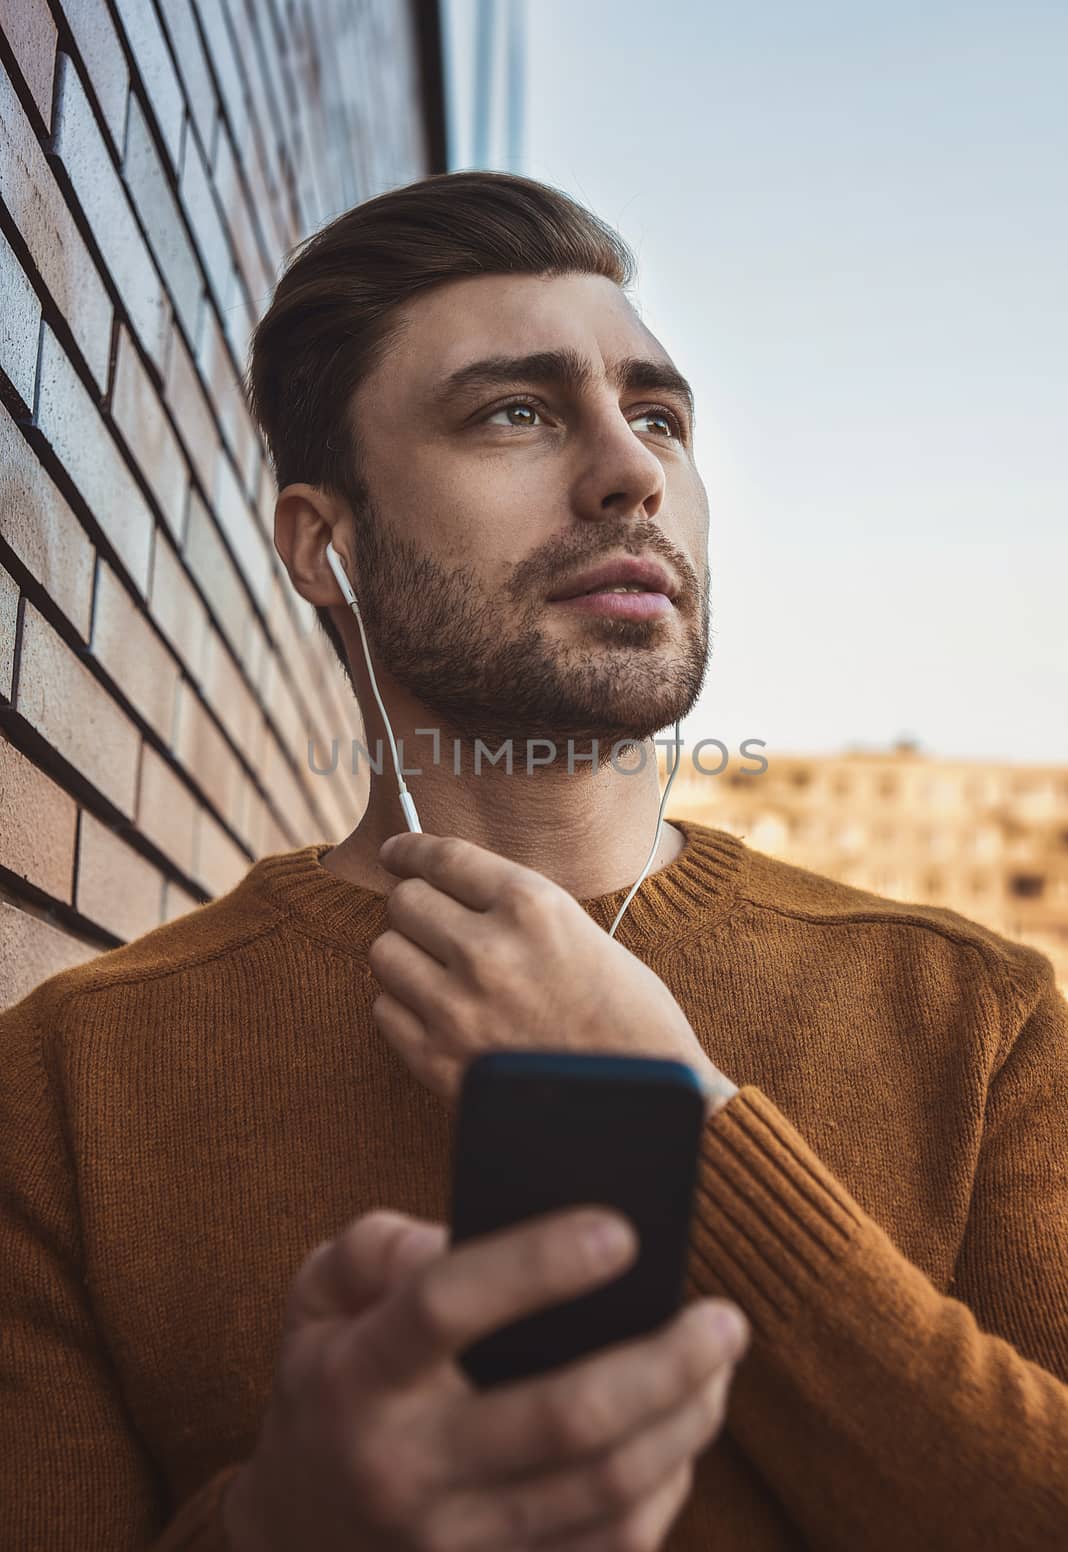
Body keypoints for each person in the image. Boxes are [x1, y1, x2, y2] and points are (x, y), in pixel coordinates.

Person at [1, 171, 1066, 1551]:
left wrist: (681, 1124)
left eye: (660, 417)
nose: (631, 469)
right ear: (325, 547)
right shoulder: (67, 1084)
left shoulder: (977, 1016)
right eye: (516, 410)